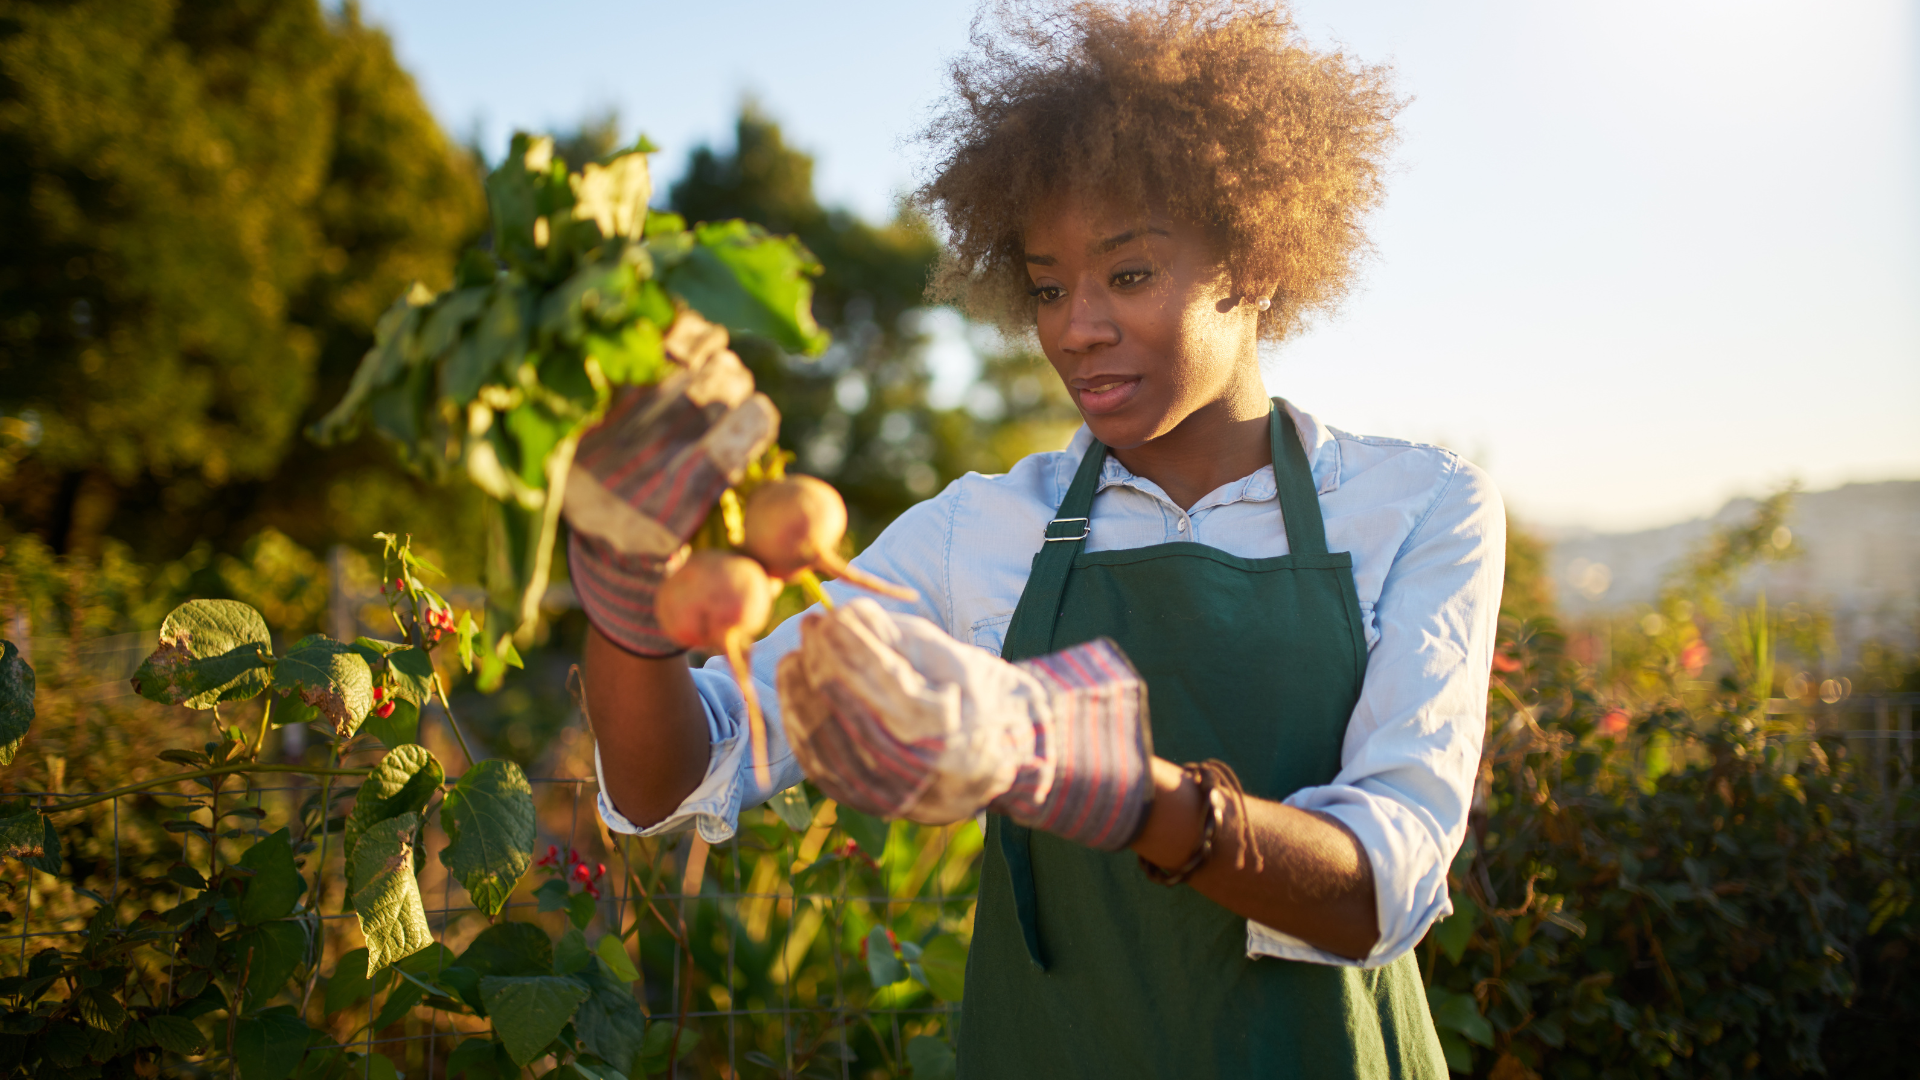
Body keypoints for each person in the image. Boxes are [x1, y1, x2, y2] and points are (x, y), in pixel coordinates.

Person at [572, 2, 1503, 1076]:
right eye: (1050, 287)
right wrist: (626, 581)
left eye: (1131, 274)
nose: (1076, 327)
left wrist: (1095, 777)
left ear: (1255, 261)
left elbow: (1381, 888)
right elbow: (675, 777)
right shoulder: (980, 533)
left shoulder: (1418, 506)